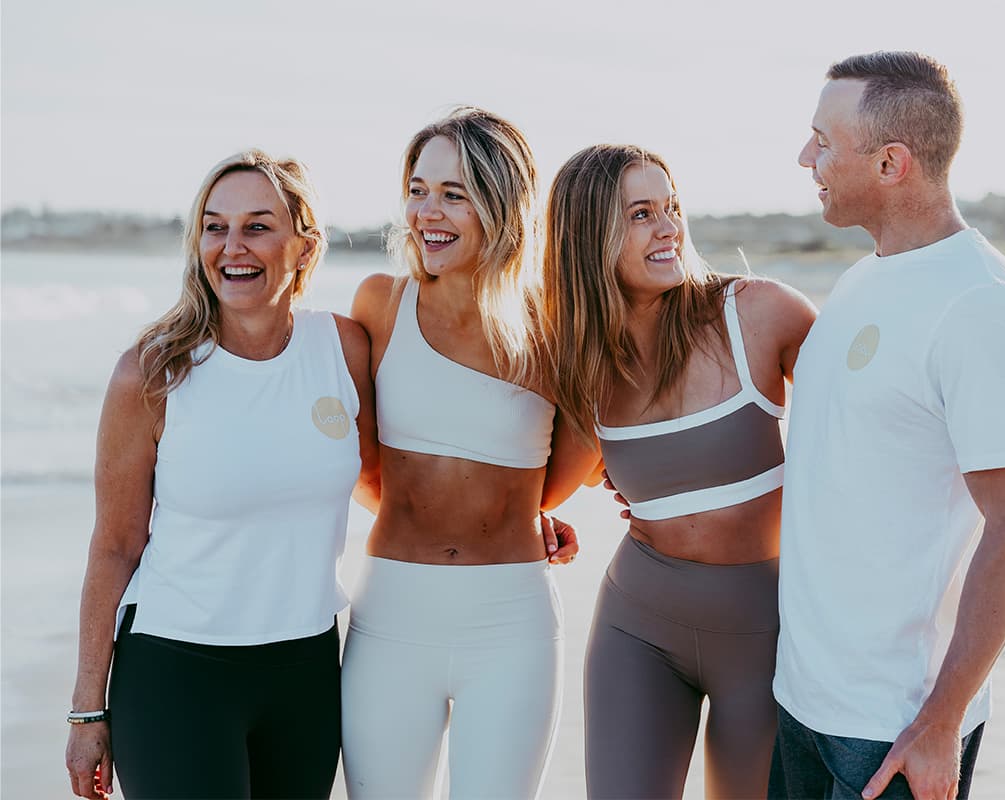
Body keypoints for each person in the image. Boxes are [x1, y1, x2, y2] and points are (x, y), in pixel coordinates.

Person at [769, 51, 1005, 800]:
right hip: (804, 703)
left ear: (892, 163)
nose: (807, 158)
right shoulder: (863, 278)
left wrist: (940, 720)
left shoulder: (981, 305)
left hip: (894, 730)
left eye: (823, 142)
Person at [63, 150, 378, 800]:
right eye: (214, 226)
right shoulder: (152, 374)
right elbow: (116, 543)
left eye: (258, 226)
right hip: (176, 672)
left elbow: (387, 481)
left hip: (307, 671)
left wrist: (524, 512)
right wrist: (87, 708)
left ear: (304, 245)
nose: (232, 246)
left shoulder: (344, 351)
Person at [541, 144, 818, 799]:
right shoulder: (587, 366)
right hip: (637, 628)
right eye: (641, 213)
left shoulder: (758, 315)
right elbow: (534, 489)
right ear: (588, 235)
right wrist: (536, 521)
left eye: (671, 207)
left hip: (767, 632)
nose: (669, 227)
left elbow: (868, 440)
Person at [340, 107, 594, 800]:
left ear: (502, 205)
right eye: (418, 190)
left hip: (510, 619)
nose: (428, 212)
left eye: (454, 194)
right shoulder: (379, 305)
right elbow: (359, 464)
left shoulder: (556, 328)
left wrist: (509, 513)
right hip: (392, 612)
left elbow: (568, 467)